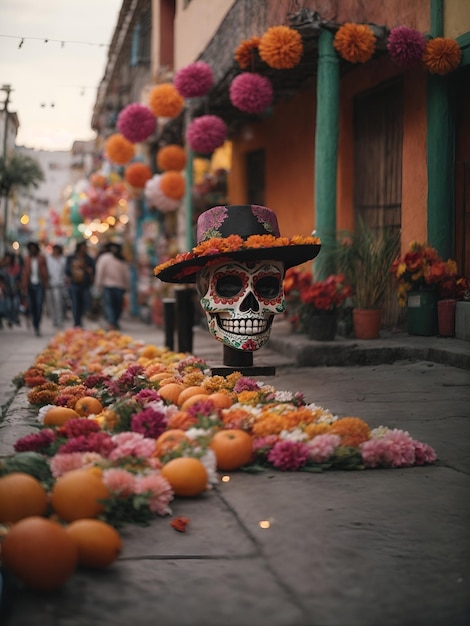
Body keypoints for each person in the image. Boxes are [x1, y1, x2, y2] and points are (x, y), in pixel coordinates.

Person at [94, 242, 130, 330]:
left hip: (109, 286)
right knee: (116, 306)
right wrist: (127, 287)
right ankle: (113, 322)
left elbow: (99, 272)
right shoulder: (121, 259)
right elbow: (126, 275)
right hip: (118, 287)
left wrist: (98, 285)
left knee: (110, 306)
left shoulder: (104, 258)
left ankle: (112, 322)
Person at [21, 241, 49, 336]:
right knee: (32, 305)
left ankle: (37, 323)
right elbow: (25, 273)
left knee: (39, 305)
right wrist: (24, 286)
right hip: (30, 285)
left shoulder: (41, 258)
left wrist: (46, 283)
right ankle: (35, 324)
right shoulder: (27, 259)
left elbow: (45, 271)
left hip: (39, 285)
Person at [65, 240, 95, 328]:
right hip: (74, 284)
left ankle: (80, 320)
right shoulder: (71, 258)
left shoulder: (89, 259)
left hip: (85, 284)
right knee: (75, 303)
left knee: (84, 303)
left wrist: (83, 267)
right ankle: (77, 322)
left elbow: (92, 270)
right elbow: (67, 270)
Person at [46, 244, 67, 328]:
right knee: (52, 304)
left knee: (59, 303)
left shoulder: (63, 259)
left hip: (60, 284)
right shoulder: (48, 259)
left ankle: (59, 320)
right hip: (51, 284)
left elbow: (64, 272)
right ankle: (54, 319)